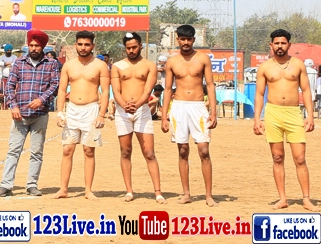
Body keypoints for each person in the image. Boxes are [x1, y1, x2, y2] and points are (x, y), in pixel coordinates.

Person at [253, 29, 316, 210]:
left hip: (293, 113)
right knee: (277, 157)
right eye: (277, 43)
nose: (280, 46)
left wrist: (310, 115)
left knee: (300, 158)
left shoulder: (298, 65)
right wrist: (257, 119)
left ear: (289, 45)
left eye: (283, 43)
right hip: (273, 113)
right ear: (271, 45)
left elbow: (306, 90)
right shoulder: (265, 67)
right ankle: (282, 198)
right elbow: (259, 94)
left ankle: (306, 199)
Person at [0, 30, 59, 197]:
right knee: (13, 151)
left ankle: (32, 185)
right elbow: (10, 86)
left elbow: (55, 85)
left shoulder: (51, 63)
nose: (34, 48)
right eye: (31, 45)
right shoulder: (19, 62)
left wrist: (42, 100)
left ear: (42, 47)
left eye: (37, 46)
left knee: (36, 152)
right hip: (20, 114)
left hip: (40, 114)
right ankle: (6, 185)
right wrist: (13, 106)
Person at [161, 24, 218, 206]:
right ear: (177, 39)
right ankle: (186, 194)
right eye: (182, 39)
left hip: (198, 107)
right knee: (183, 150)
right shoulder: (172, 61)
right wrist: (164, 115)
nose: (186, 42)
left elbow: (210, 85)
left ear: (194, 40)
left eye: (189, 39)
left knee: (204, 150)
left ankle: (208, 195)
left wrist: (213, 111)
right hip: (178, 107)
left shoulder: (203, 59)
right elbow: (168, 89)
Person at [54, 30, 110, 200]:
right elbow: (62, 90)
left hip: (91, 110)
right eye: (80, 44)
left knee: (89, 151)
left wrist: (101, 114)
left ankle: (88, 190)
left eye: (87, 44)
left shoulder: (100, 65)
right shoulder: (68, 65)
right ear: (75, 45)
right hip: (72, 110)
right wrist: (60, 112)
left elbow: (105, 91)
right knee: (67, 149)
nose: (83, 47)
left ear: (92, 45)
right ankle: (63, 189)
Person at [111, 32, 164, 203]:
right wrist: (124, 105)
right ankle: (129, 191)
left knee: (149, 152)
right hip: (122, 112)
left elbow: (148, 90)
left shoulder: (149, 66)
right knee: (125, 151)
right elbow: (116, 91)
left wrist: (137, 105)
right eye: (128, 48)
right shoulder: (117, 66)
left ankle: (158, 192)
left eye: (134, 47)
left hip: (142, 111)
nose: (131, 50)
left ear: (141, 46)